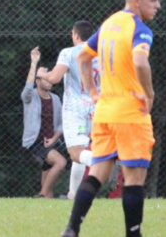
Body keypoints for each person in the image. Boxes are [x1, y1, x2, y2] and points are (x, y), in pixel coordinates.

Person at [61, 0, 160, 237]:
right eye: (154, 0)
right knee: (134, 179)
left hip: (104, 112)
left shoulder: (108, 24)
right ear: (137, 1)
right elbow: (140, 62)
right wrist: (149, 93)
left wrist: (93, 92)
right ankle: (133, 234)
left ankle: (71, 229)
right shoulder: (139, 29)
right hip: (130, 113)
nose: (158, 5)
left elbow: (82, 55)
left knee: (96, 175)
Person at [37, 21, 99, 199]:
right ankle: (73, 195)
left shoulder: (69, 52)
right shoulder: (102, 54)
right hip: (97, 109)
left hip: (76, 110)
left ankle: (101, 162)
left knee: (76, 153)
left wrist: (41, 74)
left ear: (76, 35)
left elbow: (54, 78)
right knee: (80, 151)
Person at [21, 47, 66, 198]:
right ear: (38, 81)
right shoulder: (31, 97)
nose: (50, 81)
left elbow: (60, 124)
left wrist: (54, 138)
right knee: (60, 163)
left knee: (49, 185)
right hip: (36, 142)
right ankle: (41, 195)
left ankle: (45, 199)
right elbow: (27, 88)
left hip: (51, 143)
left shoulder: (55, 99)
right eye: (46, 78)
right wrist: (34, 63)